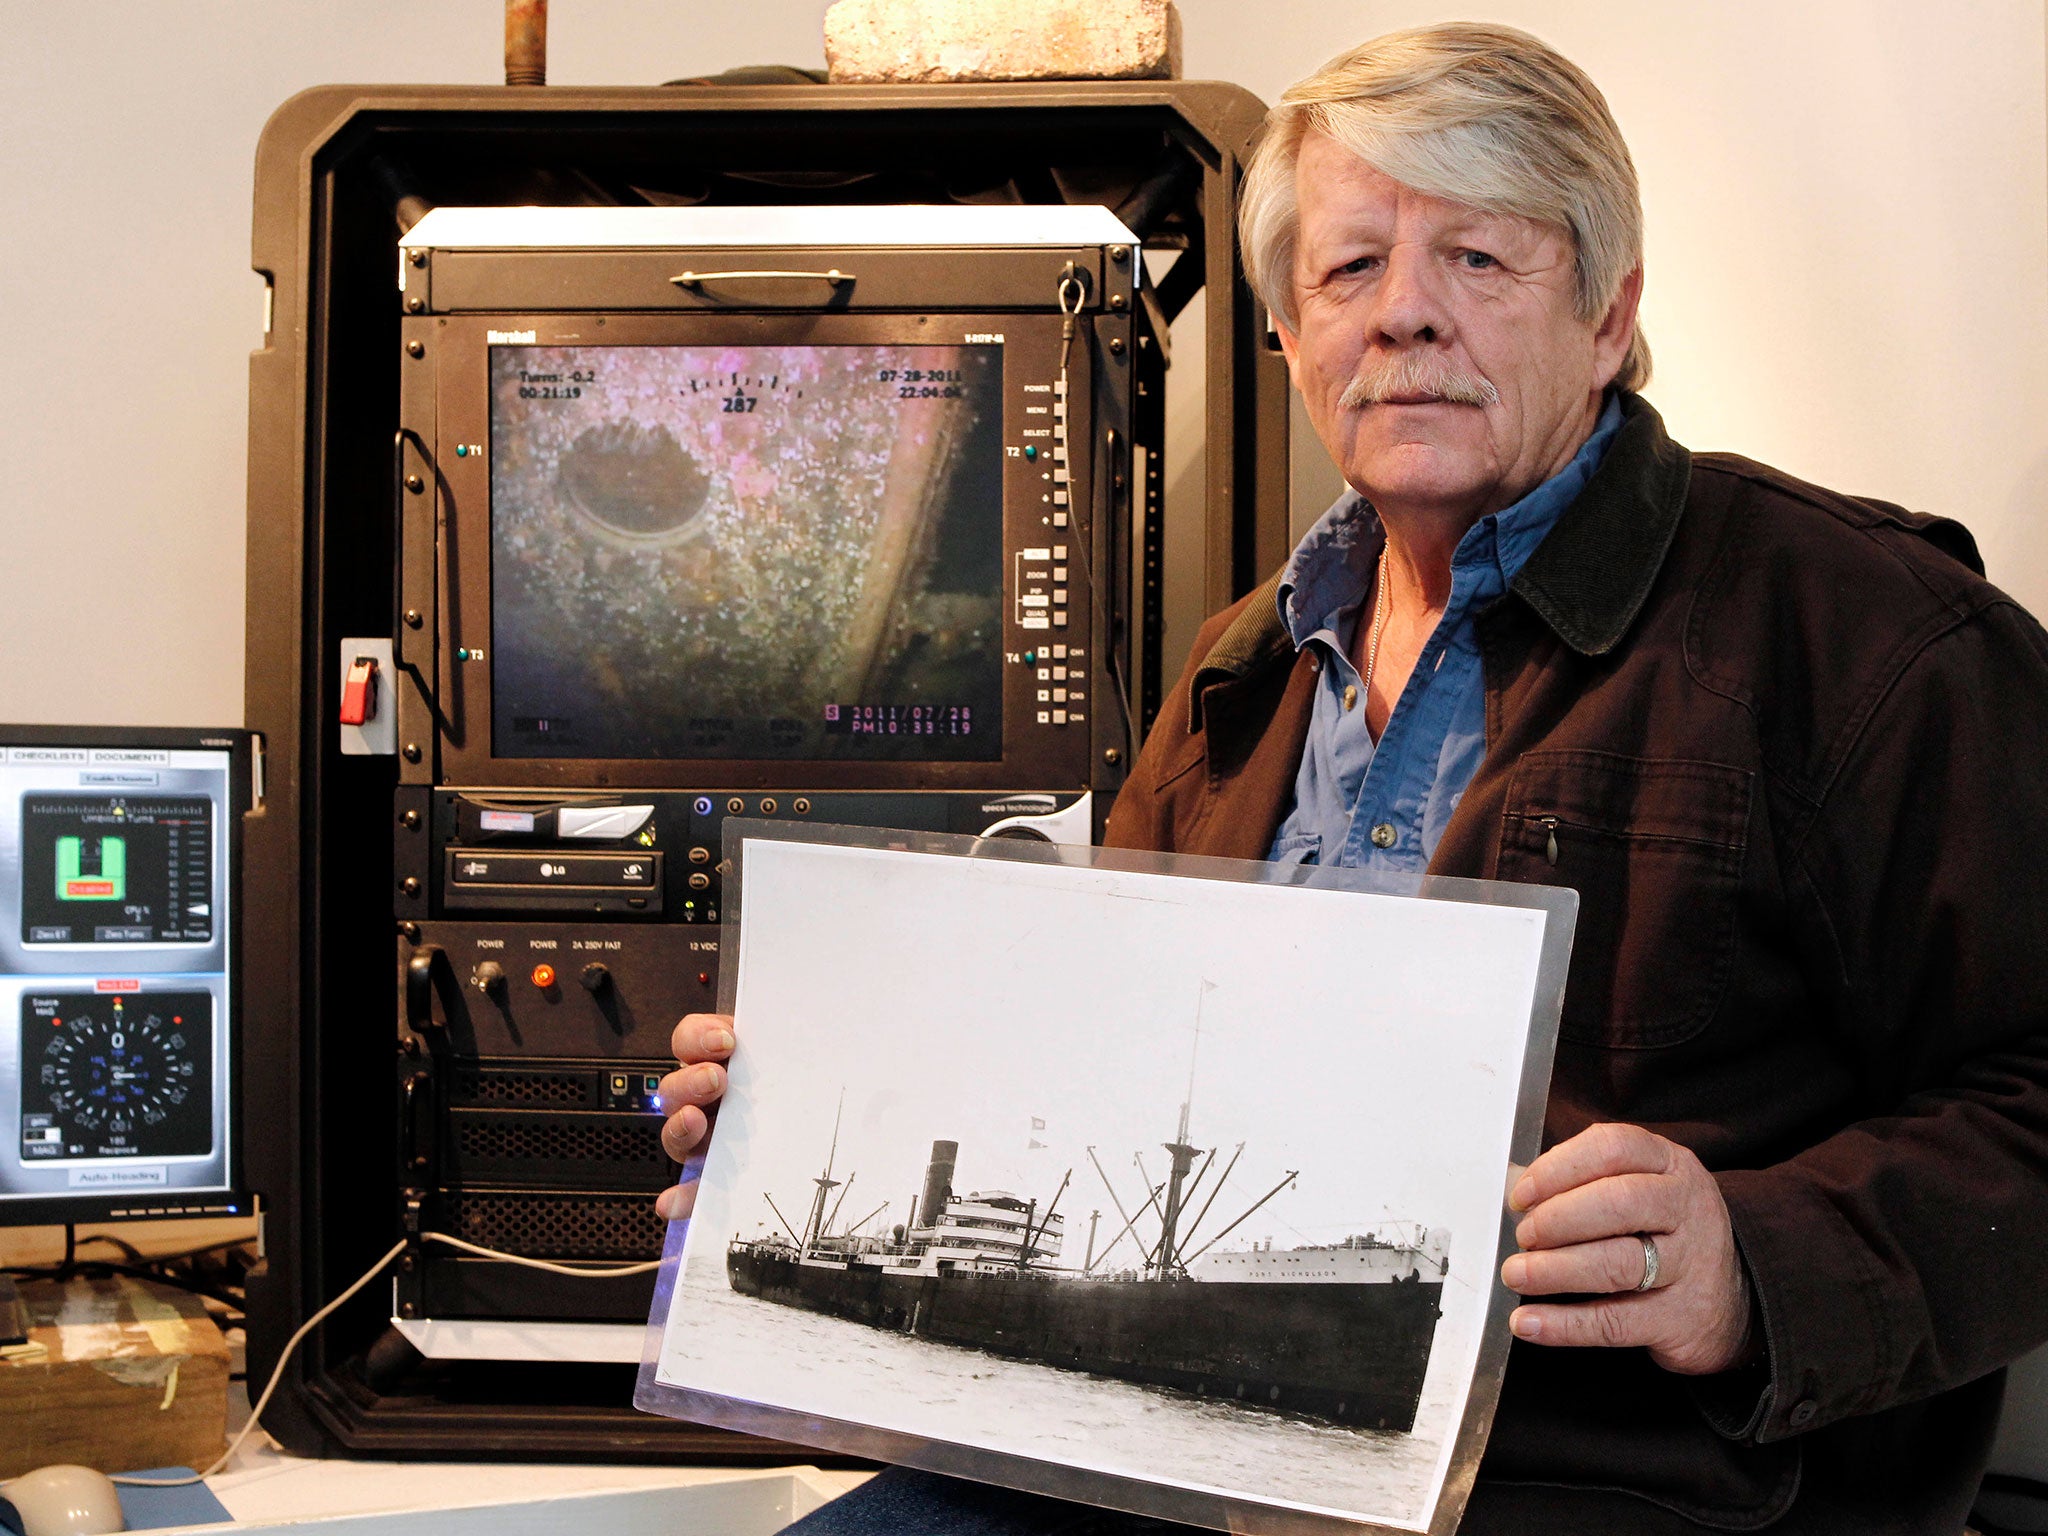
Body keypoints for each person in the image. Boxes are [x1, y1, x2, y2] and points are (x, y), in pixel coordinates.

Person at [656, 22, 2048, 1534]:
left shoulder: (1863, 638)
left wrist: (1754, 1263)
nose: (1406, 319)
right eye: (1349, 270)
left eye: (1477, 259)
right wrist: (797, 1113)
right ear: (1288, 334)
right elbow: (1090, 1095)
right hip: (1174, 1453)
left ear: (1609, 313)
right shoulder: (1236, 681)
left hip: (1623, 1488)